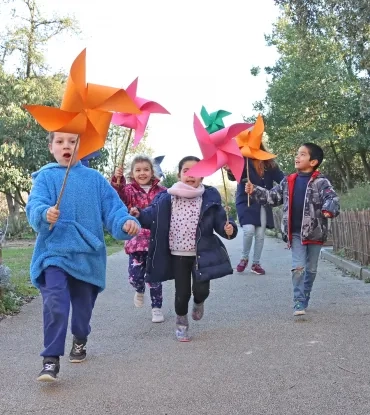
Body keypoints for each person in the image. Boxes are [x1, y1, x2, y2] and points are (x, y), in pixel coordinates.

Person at [26, 132, 141, 382]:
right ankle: (50, 360)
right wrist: (44, 214)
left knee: (81, 312)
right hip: (54, 252)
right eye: (60, 142)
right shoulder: (46, 177)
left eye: (73, 141)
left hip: (88, 256)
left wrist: (126, 223)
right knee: (55, 302)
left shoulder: (95, 180)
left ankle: (80, 338)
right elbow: (34, 205)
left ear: (82, 146)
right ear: (51, 148)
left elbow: (114, 210)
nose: (66, 145)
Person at [130, 156, 238, 342]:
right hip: (178, 254)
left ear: (202, 176)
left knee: (201, 290)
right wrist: (139, 215)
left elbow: (221, 222)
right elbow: (151, 215)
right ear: (179, 174)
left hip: (202, 254)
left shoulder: (209, 197)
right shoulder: (167, 197)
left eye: (196, 171)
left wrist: (229, 229)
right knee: (182, 294)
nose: (191, 175)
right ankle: (181, 323)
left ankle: (199, 302)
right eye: (186, 171)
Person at [245, 143, 340, 316]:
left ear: (313, 162)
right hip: (295, 233)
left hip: (315, 232)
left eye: (302, 154)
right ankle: (298, 301)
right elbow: (272, 197)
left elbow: (331, 197)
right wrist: (254, 190)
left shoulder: (321, 181)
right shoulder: (288, 180)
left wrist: (328, 208)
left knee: (311, 270)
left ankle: (305, 295)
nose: (297, 157)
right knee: (298, 267)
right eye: (297, 154)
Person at [111, 155, 166, 323]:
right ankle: (139, 288)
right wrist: (117, 180)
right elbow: (117, 195)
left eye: (146, 169)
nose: (142, 173)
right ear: (132, 173)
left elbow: (169, 206)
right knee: (135, 277)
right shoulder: (129, 190)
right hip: (136, 241)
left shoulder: (161, 191)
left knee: (155, 277)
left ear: (152, 172)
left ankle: (156, 308)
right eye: (138, 170)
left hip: (156, 241)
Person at [225, 144, 285, 275]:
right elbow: (233, 176)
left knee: (260, 234)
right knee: (249, 230)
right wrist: (230, 169)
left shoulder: (269, 163)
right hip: (245, 200)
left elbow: (283, 179)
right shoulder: (243, 159)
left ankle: (256, 263)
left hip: (263, 200)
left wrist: (294, 182)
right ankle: (244, 258)